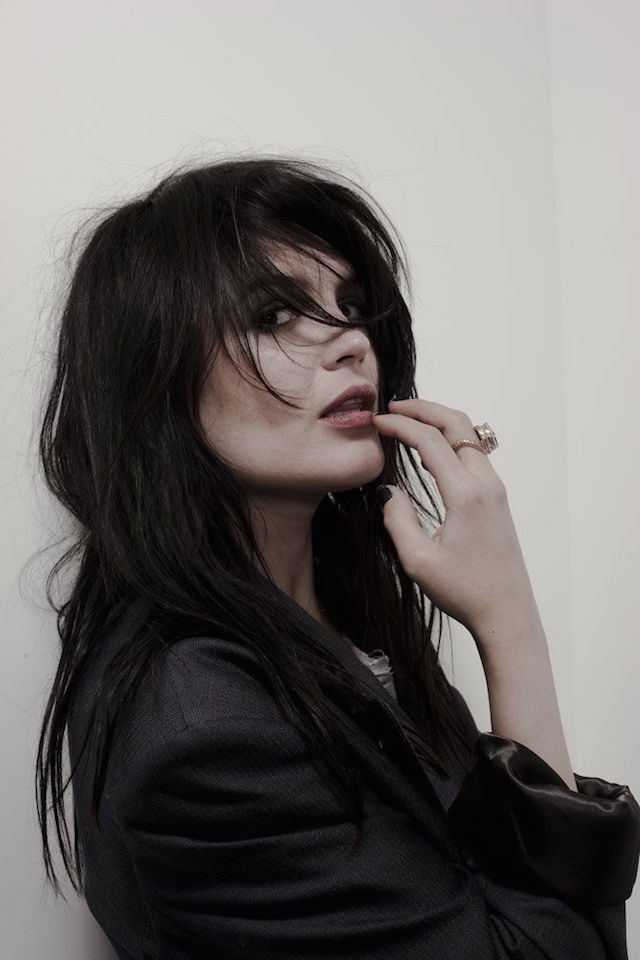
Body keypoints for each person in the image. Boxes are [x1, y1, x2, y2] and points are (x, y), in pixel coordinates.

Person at [35, 155, 639, 959]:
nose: (352, 340)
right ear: (156, 376)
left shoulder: (342, 625)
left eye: (351, 306)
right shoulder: (208, 730)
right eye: (274, 315)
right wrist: (511, 626)